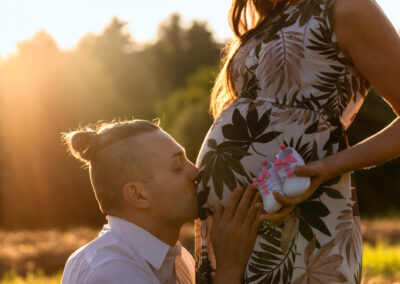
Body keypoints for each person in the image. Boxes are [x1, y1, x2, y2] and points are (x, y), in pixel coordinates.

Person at [195, 0, 400, 282]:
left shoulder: (347, 8)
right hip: (235, 228)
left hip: (302, 213)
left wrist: (327, 167)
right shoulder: (270, 17)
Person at [60, 120, 262, 284]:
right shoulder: (111, 272)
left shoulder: (180, 260)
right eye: (177, 167)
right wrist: (230, 268)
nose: (195, 171)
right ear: (138, 195)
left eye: (187, 160)